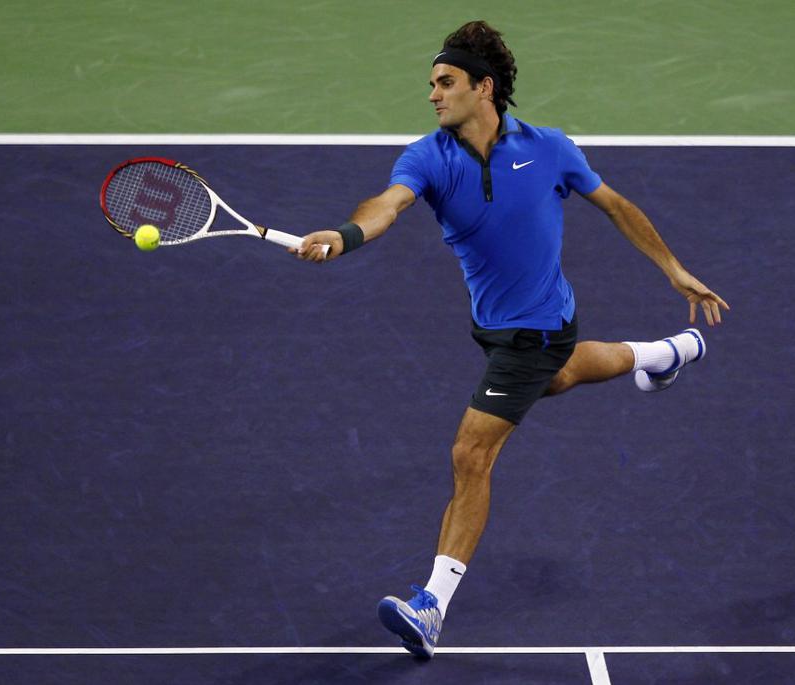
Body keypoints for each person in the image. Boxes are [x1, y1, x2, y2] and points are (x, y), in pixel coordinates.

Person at [291, 20, 729, 659]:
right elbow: (387, 204)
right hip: (499, 330)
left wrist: (674, 269)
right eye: (432, 84)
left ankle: (432, 605)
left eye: (446, 82)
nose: (433, 95)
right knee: (561, 375)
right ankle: (666, 353)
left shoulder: (550, 148)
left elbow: (614, 204)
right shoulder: (428, 157)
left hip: (537, 330)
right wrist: (345, 234)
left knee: (471, 453)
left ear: (484, 87)